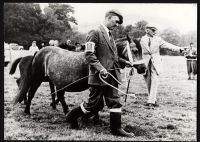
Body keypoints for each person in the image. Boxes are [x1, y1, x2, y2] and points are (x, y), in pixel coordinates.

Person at [65, 9, 134, 137]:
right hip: (99, 77)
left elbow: (114, 57)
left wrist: (126, 62)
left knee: (115, 101)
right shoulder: (95, 32)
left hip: (111, 76)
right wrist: (100, 68)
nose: (117, 25)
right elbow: (89, 54)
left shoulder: (111, 35)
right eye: (116, 21)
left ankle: (116, 129)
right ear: (108, 18)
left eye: (119, 23)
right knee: (93, 104)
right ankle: (71, 116)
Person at [140, 25, 184, 107]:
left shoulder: (158, 39)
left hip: (155, 63)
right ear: (147, 30)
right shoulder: (142, 40)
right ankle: (152, 100)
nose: (155, 32)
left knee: (155, 81)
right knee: (148, 82)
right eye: (153, 30)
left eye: (155, 30)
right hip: (145, 64)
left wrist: (179, 49)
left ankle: (151, 101)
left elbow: (167, 45)